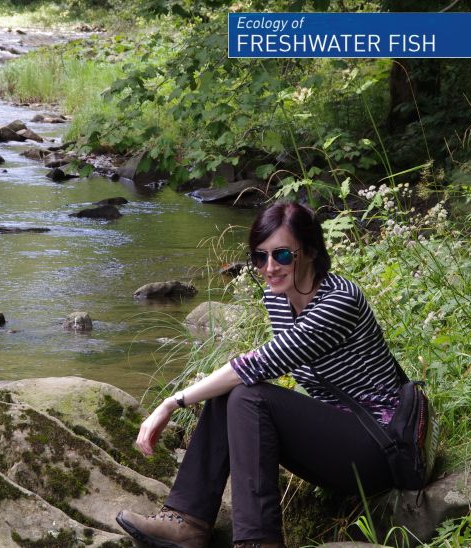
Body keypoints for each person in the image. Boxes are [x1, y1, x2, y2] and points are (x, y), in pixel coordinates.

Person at [116, 201, 406, 548]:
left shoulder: (338, 302)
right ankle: (187, 520)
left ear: (311, 251)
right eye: (259, 256)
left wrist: (170, 403)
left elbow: (255, 365)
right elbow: (251, 369)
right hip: (338, 440)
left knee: (247, 393)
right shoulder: (278, 298)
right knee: (233, 391)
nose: (269, 267)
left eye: (282, 255)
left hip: (380, 448)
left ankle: (257, 541)